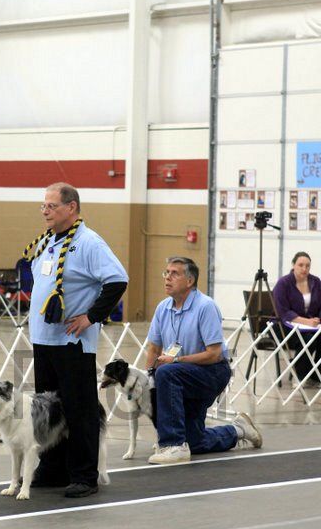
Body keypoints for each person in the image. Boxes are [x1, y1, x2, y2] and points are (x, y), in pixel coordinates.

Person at [26, 182, 128, 497]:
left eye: (52, 206)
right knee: (48, 408)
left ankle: (84, 475)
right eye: (43, 205)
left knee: (79, 409)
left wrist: (91, 316)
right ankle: (53, 467)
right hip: (44, 339)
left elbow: (117, 280)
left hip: (72, 343)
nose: (45, 211)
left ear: (71, 207)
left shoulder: (88, 242)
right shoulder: (47, 242)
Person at [146, 256, 262, 465]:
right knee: (195, 441)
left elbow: (214, 354)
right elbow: (154, 348)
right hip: (182, 374)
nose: (167, 278)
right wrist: (148, 379)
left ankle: (173, 445)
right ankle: (238, 429)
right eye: (166, 273)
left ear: (190, 281)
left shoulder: (205, 306)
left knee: (166, 373)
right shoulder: (162, 308)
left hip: (212, 372)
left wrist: (178, 360)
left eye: (174, 273)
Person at [273, 251, 321, 383]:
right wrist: (306, 321)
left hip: (310, 325)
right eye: (301, 265)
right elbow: (283, 312)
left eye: (307, 266)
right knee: (308, 339)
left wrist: (318, 320)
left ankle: (316, 374)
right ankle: (300, 376)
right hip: (283, 326)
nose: (304, 269)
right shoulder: (283, 283)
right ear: (293, 265)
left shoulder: (316, 282)